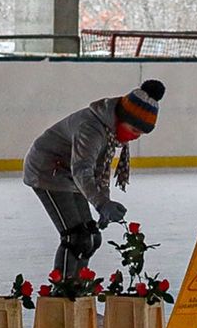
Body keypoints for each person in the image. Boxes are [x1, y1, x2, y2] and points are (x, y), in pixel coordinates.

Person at [23, 80, 165, 277]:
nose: (134, 138)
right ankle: (64, 294)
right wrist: (101, 203)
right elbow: (82, 169)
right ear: (123, 118)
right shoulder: (91, 129)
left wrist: (103, 202)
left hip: (70, 173)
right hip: (47, 171)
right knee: (76, 238)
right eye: (134, 131)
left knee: (91, 236)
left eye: (140, 134)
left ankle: (80, 291)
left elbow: (100, 169)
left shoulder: (111, 129)